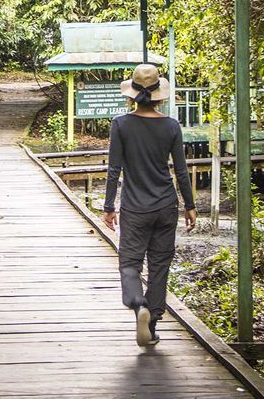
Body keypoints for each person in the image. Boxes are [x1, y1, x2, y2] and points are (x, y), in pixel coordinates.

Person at [101, 63, 196, 346]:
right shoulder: (171, 126)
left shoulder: (121, 124)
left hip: (135, 206)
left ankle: (138, 305)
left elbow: (114, 169)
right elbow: (180, 170)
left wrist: (109, 207)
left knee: (130, 263)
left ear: (131, 94)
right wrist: (190, 205)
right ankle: (152, 325)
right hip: (166, 206)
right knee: (160, 264)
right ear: (160, 96)